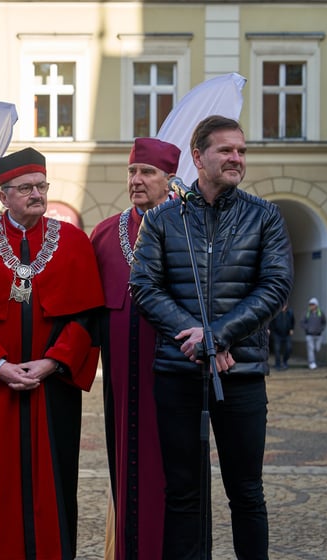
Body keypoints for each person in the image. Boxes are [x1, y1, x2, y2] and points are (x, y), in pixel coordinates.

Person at [130, 115, 293, 559]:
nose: (237, 158)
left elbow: (275, 286)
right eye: (226, 150)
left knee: (247, 493)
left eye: (241, 150)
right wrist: (197, 341)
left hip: (241, 374)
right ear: (199, 158)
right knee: (183, 493)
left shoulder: (265, 216)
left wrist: (216, 337)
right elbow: (144, 286)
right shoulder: (163, 219)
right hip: (178, 374)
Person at [0, 147, 105, 559]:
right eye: (26, 188)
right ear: (4, 196)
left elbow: (87, 316)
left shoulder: (73, 241)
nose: (37, 194)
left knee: (53, 481)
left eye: (41, 186)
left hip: (51, 389)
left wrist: (52, 362)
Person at [90, 137, 181, 560]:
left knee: (173, 467)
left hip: (176, 371)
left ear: (170, 179)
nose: (137, 180)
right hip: (122, 379)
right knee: (125, 463)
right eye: (132, 172)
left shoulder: (191, 226)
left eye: (147, 172)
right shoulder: (105, 233)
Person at [302, 297, 326, 369]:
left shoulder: (320, 313)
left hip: (318, 335)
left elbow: (324, 322)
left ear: (316, 305)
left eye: (312, 304)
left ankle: (314, 361)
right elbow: (302, 322)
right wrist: (307, 328)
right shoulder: (307, 313)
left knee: (317, 349)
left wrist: (321, 329)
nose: (311, 306)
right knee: (311, 349)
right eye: (310, 304)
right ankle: (312, 362)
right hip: (309, 335)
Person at [270, 303, 295, 370]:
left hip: (287, 334)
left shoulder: (290, 312)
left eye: (285, 304)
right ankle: (277, 364)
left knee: (289, 348)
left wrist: (292, 329)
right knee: (277, 349)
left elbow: (293, 321)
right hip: (277, 334)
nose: (284, 306)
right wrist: (271, 330)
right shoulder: (276, 312)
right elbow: (271, 322)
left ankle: (284, 362)